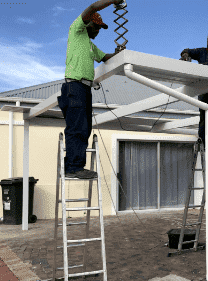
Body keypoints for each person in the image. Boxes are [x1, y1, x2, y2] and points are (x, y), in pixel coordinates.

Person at [58, 0, 126, 179]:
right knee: (77, 128)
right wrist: (114, 0)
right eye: (96, 27)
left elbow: (105, 57)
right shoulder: (76, 31)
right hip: (75, 86)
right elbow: (93, 7)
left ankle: (73, 166)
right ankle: (74, 168)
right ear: (88, 24)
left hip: (84, 89)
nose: (98, 31)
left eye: (100, 28)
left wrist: (119, 54)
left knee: (84, 128)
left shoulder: (90, 45)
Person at [180, 34, 208, 147]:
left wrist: (196, 67)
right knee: (203, 118)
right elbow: (186, 50)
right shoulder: (201, 51)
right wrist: (186, 55)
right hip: (203, 90)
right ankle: (203, 142)